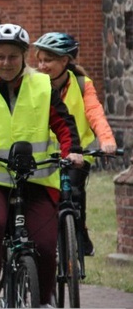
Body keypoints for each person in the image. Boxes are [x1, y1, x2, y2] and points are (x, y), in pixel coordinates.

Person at [0, 23, 84, 309]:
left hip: (36, 177)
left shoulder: (42, 86)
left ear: (24, 56)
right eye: (0, 56)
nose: (6, 63)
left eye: (13, 56)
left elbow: (63, 125)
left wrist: (72, 151)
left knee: (44, 243)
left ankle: (43, 300)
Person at [34, 31, 117, 256]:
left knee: (74, 194)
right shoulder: (34, 85)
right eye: (39, 60)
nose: (42, 66)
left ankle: (79, 233)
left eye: (48, 60)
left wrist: (107, 140)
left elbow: (94, 112)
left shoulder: (82, 84)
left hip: (78, 153)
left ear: (65, 61)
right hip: (44, 154)